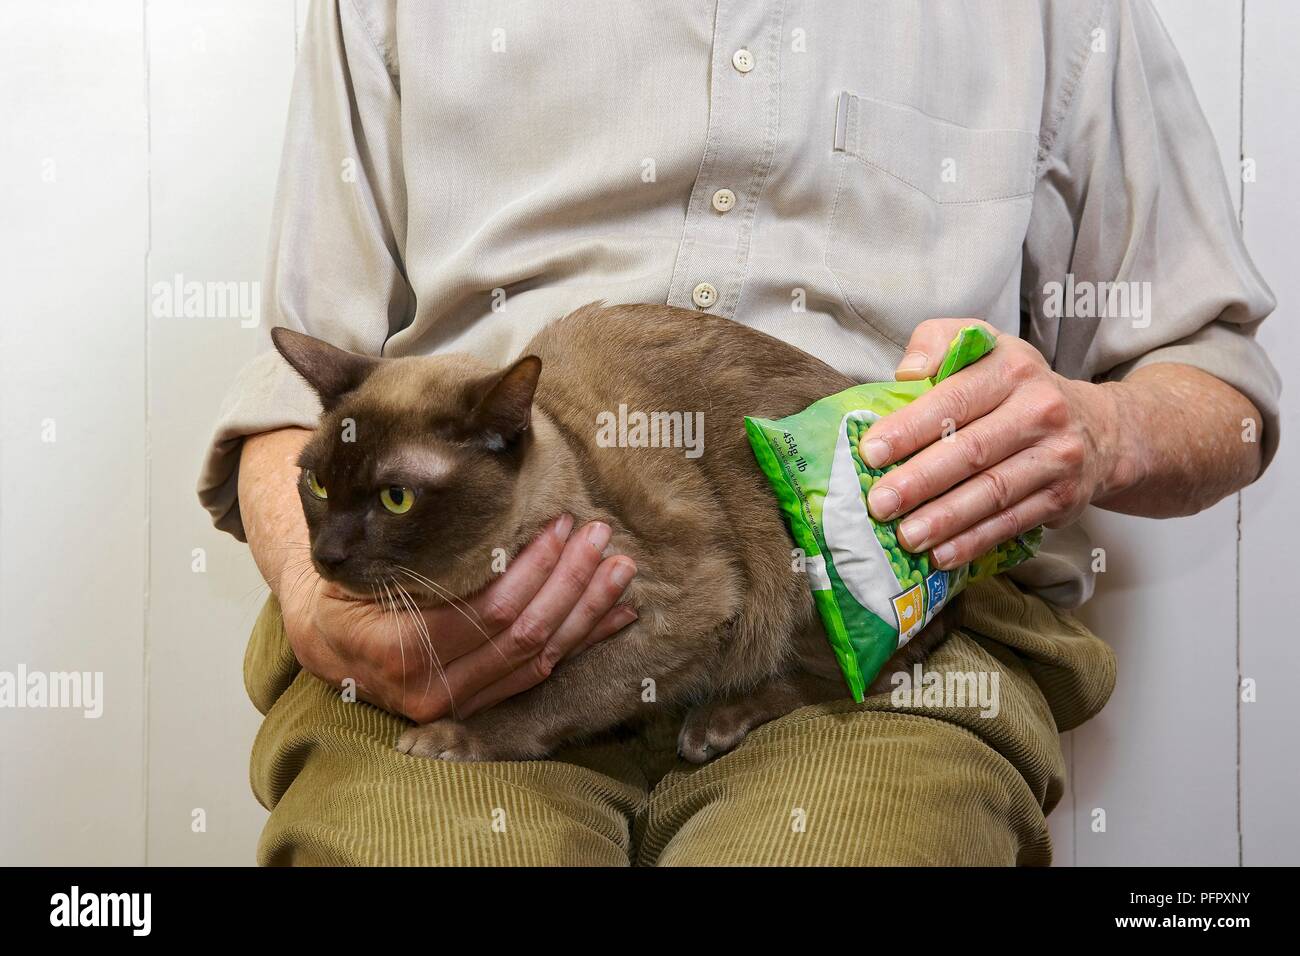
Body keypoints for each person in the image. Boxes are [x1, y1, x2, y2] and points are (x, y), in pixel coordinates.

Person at [199, 0, 1278, 865]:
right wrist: (314, 599)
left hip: (862, 641)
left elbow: (1223, 387)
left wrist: (1100, 426)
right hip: (444, 620)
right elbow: (295, 392)